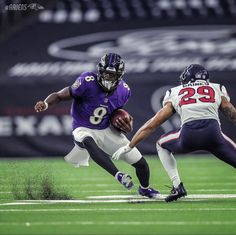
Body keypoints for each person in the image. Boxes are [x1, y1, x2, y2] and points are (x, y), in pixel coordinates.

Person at [34, 53, 159, 199]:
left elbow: (116, 114)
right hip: (82, 126)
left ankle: (145, 188)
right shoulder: (86, 81)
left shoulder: (124, 91)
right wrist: (46, 103)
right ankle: (118, 175)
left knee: (141, 163)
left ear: (119, 76)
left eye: (112, 75)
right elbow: (60, 95)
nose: (107, 77)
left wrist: (124, 124)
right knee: (87, 140)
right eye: (105, 73)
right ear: (100, 71)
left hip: (106, 129)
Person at [112, 64, 236, 202]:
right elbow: (233, 115)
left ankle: (177, 186)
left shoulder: (176, 92)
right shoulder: (217, 88)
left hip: (189, 136)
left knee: (161, 144)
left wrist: (130, 146)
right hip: (214, 136)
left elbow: (152, 125)